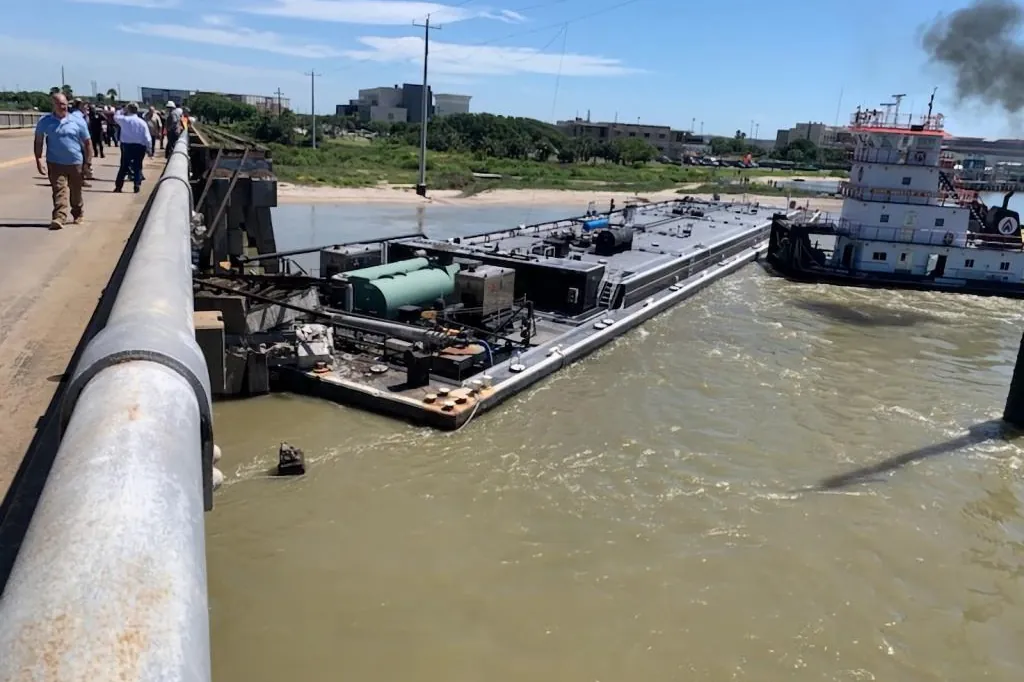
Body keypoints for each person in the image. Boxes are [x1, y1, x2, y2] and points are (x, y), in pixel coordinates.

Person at [33, 93, 92, 230]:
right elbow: (39, 141)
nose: (63, 106)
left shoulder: (77, 121)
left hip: (75, 162)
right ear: (53, 105)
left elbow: (88, 143)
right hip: (55, 162)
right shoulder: (45, 121)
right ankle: (59, 217)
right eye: (59, 104)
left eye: (65, 104)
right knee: (59, 190)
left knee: (76, 192)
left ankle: (77, 212)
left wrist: (88, 163)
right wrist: (38, 159)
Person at [112, 103, 151, 194]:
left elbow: (115, 116)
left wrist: (122, 110)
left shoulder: (124, 120)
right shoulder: (142, 122)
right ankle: (136, 185)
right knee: (138, 166)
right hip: (139, 146)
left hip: (127, 146)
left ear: (128, 110)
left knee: (124, 166)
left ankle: (118, 186)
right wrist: (149, 149)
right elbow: (147, 137)